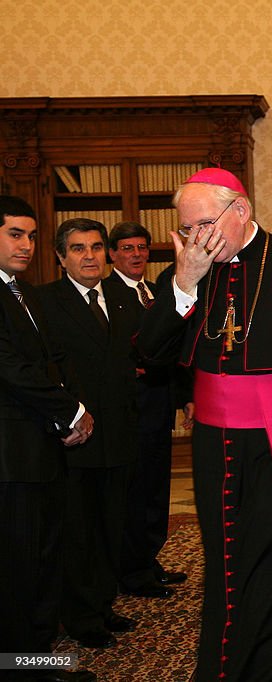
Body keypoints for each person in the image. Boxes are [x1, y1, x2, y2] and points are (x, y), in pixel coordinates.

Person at [135, 169, 272, 680]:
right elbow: (148, 354)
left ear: (241, 211)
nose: (197, 240)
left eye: (205, 224)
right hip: (215, 447)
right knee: (227, 563)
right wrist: (185, 283)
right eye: (186, 230)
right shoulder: (186, 273)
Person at [0, 197, 96, 682]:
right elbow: (11, 369)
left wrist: (72, 414)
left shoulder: (24, 292)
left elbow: (54, 359)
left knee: (42, 560)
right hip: (10, 459)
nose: (27, 244)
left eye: (32, 235)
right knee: (18, 568)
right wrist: (71, 410)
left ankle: (38, 657)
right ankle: (24, 668)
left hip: (42, 449)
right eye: (15, 233)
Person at [38, 219, 139, 650]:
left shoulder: (121, 298)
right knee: (78, 532)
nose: (90, 256)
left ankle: (102, 603)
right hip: (73, 439)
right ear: (61, 258)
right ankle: (80, 616)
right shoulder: (44, 303)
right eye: (78, 249)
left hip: (118, 435)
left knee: (110, 526)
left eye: (96, 247)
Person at [105, 221, 190, 599]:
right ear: (112, 254)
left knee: (157, 493)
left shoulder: (157, 291)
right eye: (127, 248)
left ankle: (148, 559)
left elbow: (173, 346)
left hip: (158, 409)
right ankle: (132, 571)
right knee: (134, 495)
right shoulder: (104, 294)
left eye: (141, 248)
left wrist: (183, 395)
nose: (136, 254)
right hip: (126, 412)